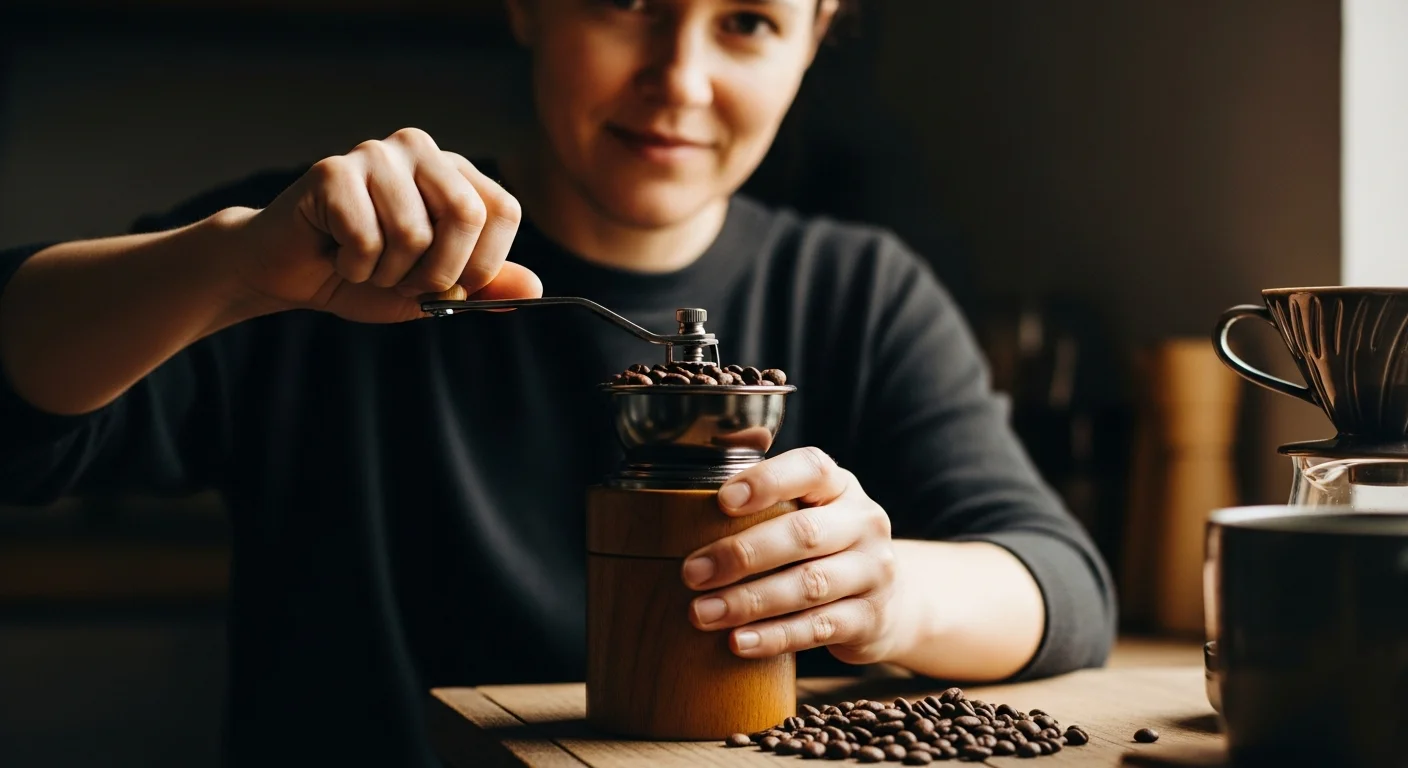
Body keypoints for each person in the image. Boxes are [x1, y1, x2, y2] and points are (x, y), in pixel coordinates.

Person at [0, 0, 1116, 764]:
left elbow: (1058, 587)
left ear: (816, 37)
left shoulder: (859, 292)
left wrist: (883, 591)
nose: (677, 80)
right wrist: (228, 267)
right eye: (626, 0)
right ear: (527, 2)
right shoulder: (312, 259)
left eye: (747, 22)